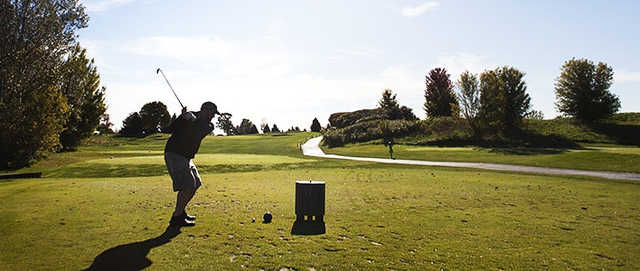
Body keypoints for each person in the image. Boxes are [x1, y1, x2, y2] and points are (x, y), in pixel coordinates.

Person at [164, 101, 218, 227]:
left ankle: (180, 213)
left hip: (186, 157)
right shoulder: (188, 116)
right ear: (204, 110)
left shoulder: (209, 125)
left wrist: (192, 121)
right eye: (212, 113)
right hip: (175, 153)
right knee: (188, 185)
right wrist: (181, 117)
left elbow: (197, 132)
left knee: (195, 184)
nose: (213, 116)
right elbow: (170, 129)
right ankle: (176, 218)